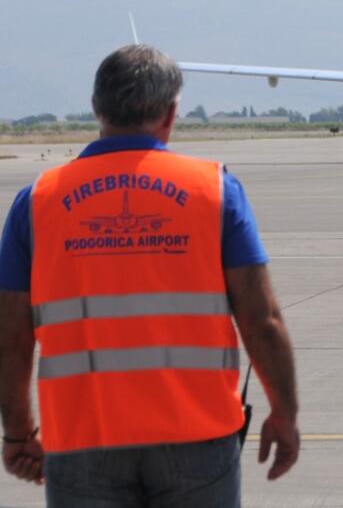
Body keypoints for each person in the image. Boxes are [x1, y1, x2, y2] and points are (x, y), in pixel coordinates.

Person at [0, 44, 300, 506]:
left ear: (97, 107)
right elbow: (263, 321)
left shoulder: (37, 201)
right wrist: (284, 412)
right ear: (171, 112)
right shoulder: (214, 190)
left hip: (82, 438)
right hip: (197, 435)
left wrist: (18, 432)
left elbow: (11, 335)